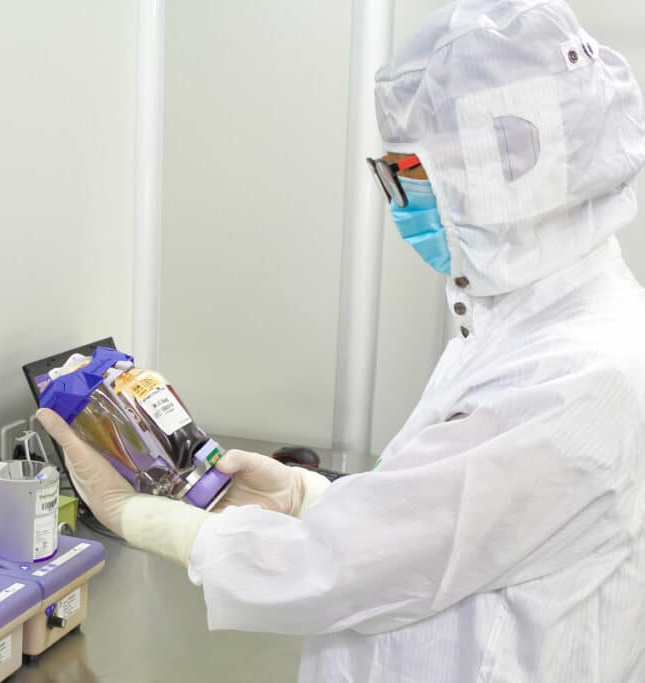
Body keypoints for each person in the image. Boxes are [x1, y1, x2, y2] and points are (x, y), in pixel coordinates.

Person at [38, 0, 645, 680]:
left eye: (408, 176)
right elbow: (440, 520)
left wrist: (134, 515)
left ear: (509, 177)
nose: (401, 204)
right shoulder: (516, 323)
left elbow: (339, 569)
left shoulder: (579, 373)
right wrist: (307, 496)